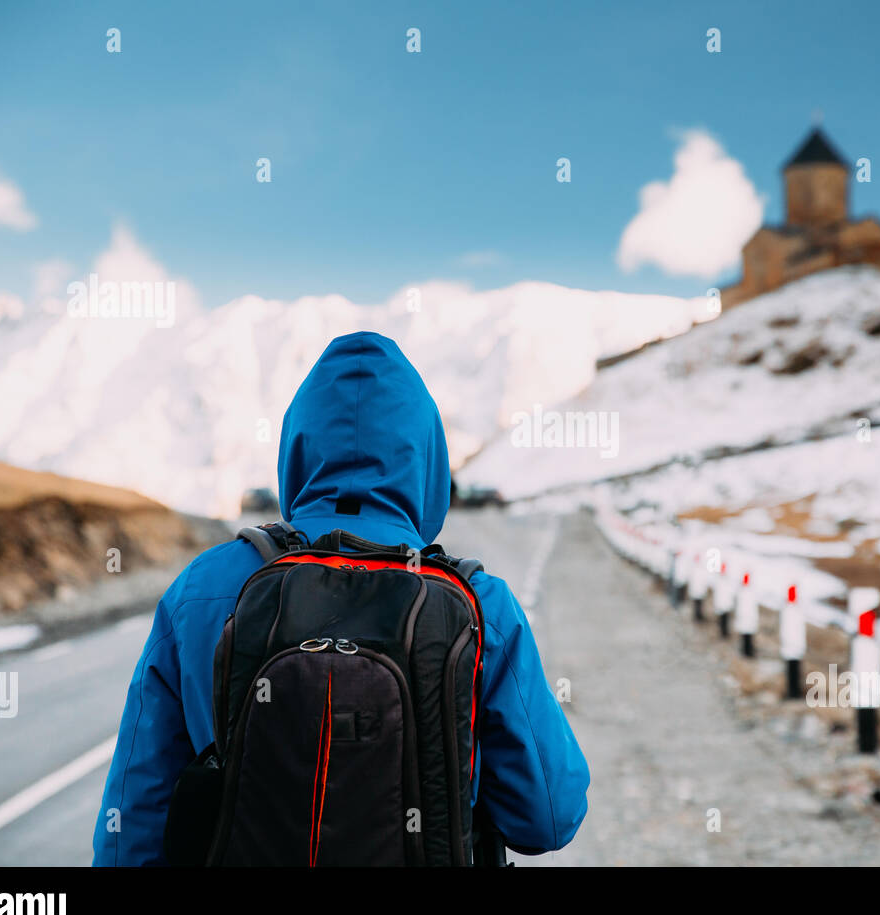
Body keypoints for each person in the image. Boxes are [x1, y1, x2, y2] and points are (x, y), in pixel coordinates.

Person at [92, 332, 589, 865]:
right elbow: (547, 820)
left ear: (297, 449)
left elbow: (133, 824)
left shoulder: (202, 588)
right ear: (428, 460)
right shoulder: (479, 604)